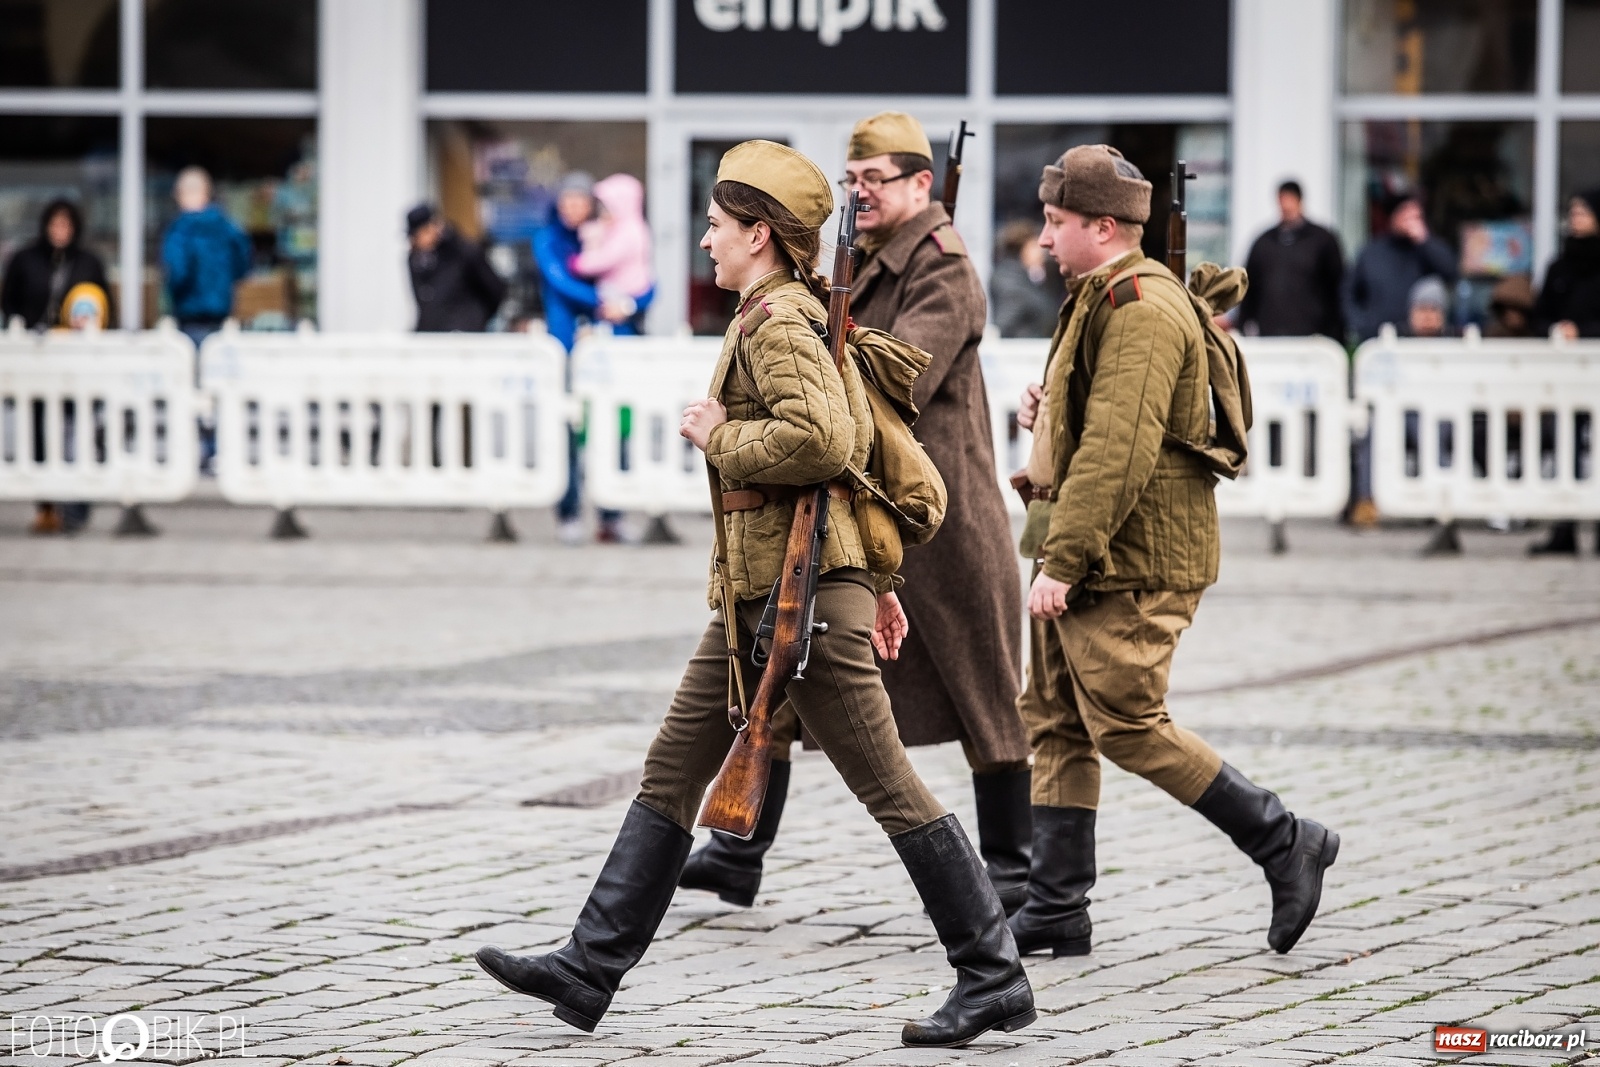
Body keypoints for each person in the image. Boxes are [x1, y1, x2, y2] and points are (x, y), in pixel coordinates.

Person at [474, 140, 1035, 1050]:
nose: (704, 242)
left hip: (799, 601)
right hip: (767, 592)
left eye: (717, 226)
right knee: (672, 768)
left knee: (889, 784)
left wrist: (721, 435)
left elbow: (820, 441)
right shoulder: (789, 310)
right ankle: (590, 963)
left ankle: (993, 973)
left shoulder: (777, 320)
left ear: (760, 236)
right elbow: (849, 460)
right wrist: (878, 580)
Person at [677, 112, 1034, 917]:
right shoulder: (865, 261)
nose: (860, 192)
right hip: (861, 500)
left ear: (921, 184)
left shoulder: (941, 266)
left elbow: (903, 375)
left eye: (878, 179)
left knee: (986, 690)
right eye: (853, 179)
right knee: (782, 673)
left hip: (937, 511)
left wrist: (815, 340)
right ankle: (738, 851)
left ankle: (1012, 877)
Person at [1006, 144, 1340, 960]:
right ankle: (1055, 903)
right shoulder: (1099, 294)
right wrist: (1049, 415)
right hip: (1090, 545)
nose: (1045, 239)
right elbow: (1104, 420)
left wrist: (1064, 562)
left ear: (1105, 226)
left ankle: (1285, 839)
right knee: (1054, 721)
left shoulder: (1141, 307)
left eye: (1057, 223)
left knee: (1125, 722)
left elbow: (1121, 448)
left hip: (1131, 556)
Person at [532, 172, 654, 545]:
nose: (573, 208)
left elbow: (646, 282)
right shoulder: (549, 240)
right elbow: (562, 283)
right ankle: (569, 512)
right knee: (569, 432)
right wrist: (606, 304)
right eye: (566, 200)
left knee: (615, 428)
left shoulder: (609, 234)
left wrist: (629, 304)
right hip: (567, 349)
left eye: (580, 200)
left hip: (607, 351)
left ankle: (611, 515)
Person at [1528, 190, 1600, 556]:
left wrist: (1584, 332)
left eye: (1583, 211)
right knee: (1564, 446)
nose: (1576, 218)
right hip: (1562, 375)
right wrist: (1556, 330)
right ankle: (1564, 528)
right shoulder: (1559, 266)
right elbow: (1539, 315)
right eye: (1572, 212)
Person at [1237, 180, 1345, 339]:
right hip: (1270, 332)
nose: (1286, 206)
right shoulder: (1264, 242)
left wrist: (1335, 332)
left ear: (1300, 201)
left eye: (1290, 200)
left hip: (1313, 336)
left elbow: (1337, 286)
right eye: (1282, 200)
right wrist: (1243, 323)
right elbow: (1249, 285)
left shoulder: (1322, 240)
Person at [1344, 192, 1458, 342]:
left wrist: (1424, 240)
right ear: (1393, 216)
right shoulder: (1372, 252)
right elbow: (1349, 293)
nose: (1410, 222)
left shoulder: (1426, 250)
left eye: (1416, 217)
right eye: (1405, 215)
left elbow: (1450, 272)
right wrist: (1362, 325)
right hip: (1379, 339)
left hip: (1421, 340)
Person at [163, 167, 251, 348]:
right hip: (222, 314)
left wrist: (171, 295)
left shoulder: (180, 230)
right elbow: (243, 264)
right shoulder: (227, 226)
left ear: (182, 194)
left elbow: (178, 273)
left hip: (189, 316)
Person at [1, 199, 113, 332]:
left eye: (65, 225)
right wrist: (15, 322)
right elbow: (8, 300)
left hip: (74, 340)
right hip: (30, 338)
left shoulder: (89, 263)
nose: (60, 231)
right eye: (55, 225)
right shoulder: (24, 259)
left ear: (74, 228)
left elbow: (104, 303)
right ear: (46, 226)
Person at [569, 173, 654, 331]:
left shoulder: (629, 232)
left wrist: (580, 263)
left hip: (622, 295)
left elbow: (604, 259)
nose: (604, 213)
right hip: (614, 300)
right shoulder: (621, 229)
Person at [406, 203, 506, 333]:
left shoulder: (464, 252)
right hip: (431, 336)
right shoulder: (415, 260)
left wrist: (475, 320)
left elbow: (494, 290)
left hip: (464, 336)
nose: (416, 241)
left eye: (418, 235)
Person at [992, 219, 1062, 337]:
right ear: (1023, 249)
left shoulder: (1027, 280)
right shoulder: (1011, 283)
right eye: (1035, 247)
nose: (1041, 253)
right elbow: (1006, 327)